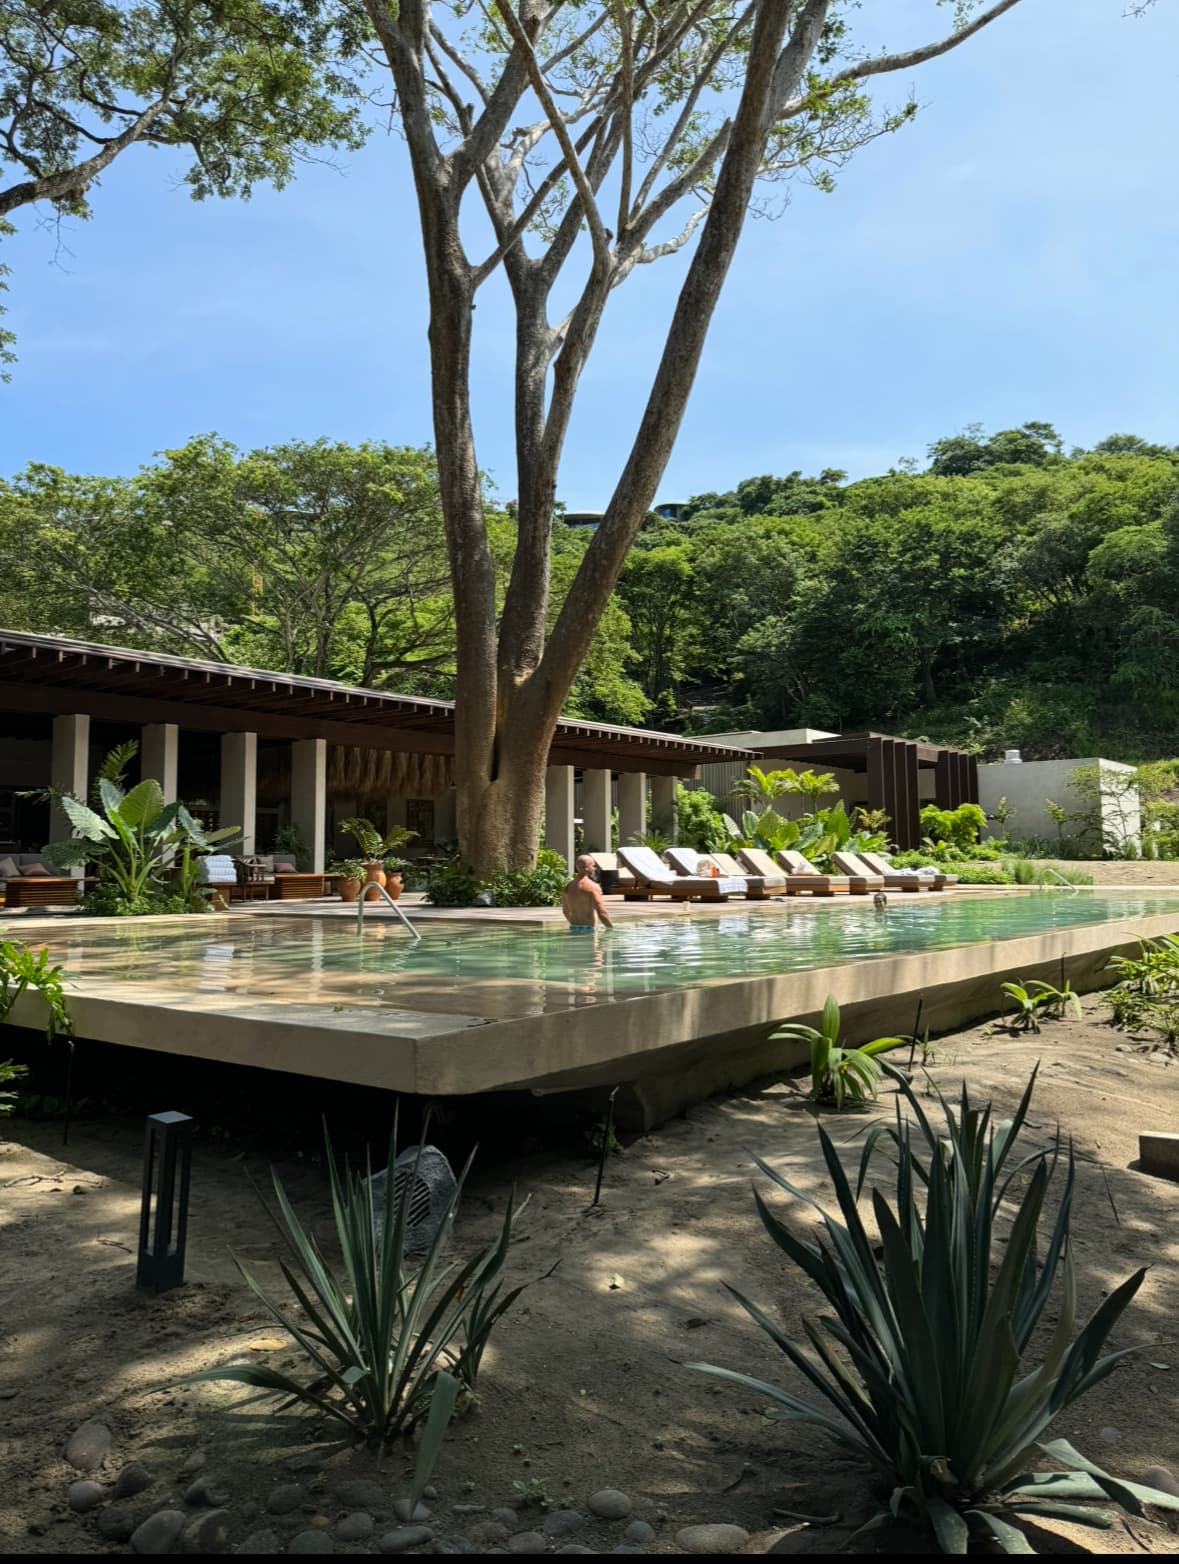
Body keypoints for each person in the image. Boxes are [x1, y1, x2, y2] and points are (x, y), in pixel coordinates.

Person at [560, 854, 614, 933]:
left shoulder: (567, 887)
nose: (595, 868)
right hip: (589, 930)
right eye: (593, 865)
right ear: (587, 868)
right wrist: (611, 929)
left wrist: (574, 923)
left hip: (574, 928)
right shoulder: (592, 887)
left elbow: (565, 911)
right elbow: (602, 912)